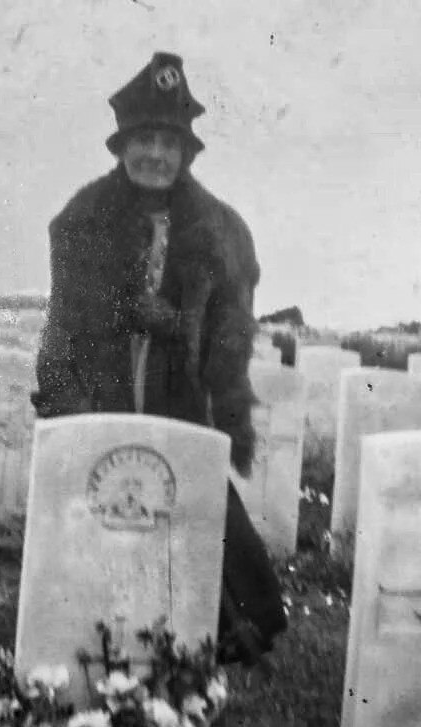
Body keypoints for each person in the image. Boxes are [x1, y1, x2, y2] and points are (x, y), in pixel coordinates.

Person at [31, 52, 287, 664]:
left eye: (168, 144)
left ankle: (237, 622)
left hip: (182, 386)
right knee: (113, 493)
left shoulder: (221, 231)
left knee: (192, 494)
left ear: (186, 153)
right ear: (122, 147)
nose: (156, 155)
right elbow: (65, 320)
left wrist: (210, 372)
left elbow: (232, 329)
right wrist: (63, 398)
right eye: (144, 140)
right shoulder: (83, 219)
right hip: (105, 378)